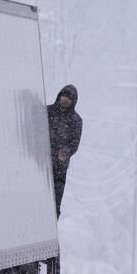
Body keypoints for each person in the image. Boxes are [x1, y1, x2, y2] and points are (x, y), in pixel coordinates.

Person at [47, 84, 83, 217]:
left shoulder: (76, 120)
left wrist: (65, 152)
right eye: (64, 95)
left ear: (74, 101)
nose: (66, 99)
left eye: (69, 98)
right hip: (39, 160)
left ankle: (52, 219)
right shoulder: (47, 111)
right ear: (59, 96)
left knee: (55, 200)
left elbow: (74, 144)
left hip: (59, 167)